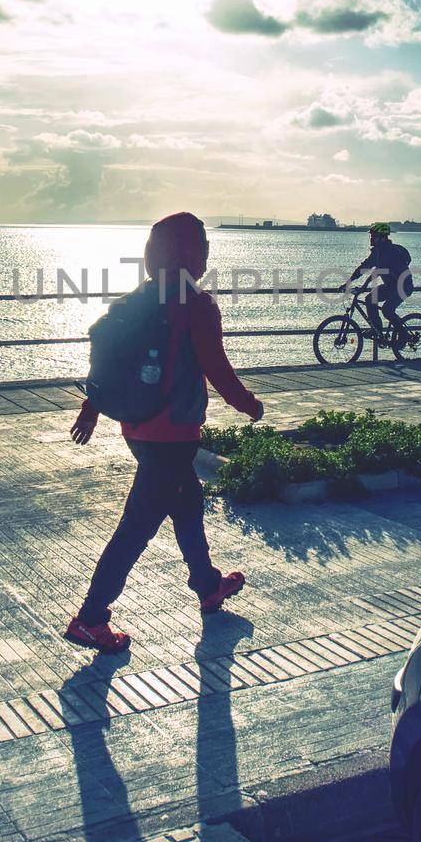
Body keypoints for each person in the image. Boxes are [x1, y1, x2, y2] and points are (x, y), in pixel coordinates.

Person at [64, 212, 262, 653]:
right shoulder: (197, 305)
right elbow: (217, 369)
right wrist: (249, 405)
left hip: (137, 427)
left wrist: (92, 407)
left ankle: (208, 585)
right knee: (136, 528)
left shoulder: (137, 299)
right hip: (173, 434)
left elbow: (111, 362)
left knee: (188, 504)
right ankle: (91, 618)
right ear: (196, 255)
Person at [345, 222, 413, 346]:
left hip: (403, 286)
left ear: (383, 237)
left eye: (374, 236)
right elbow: (364, 267)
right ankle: (376, 330)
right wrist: (348, 282)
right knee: (370, 299)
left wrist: (364, 286)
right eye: (370, 235)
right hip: (391, 286)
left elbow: (378, 271)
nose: (371, 238)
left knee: (387, 310)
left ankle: (404, 335)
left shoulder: (391, 252)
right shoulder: (377, 252)